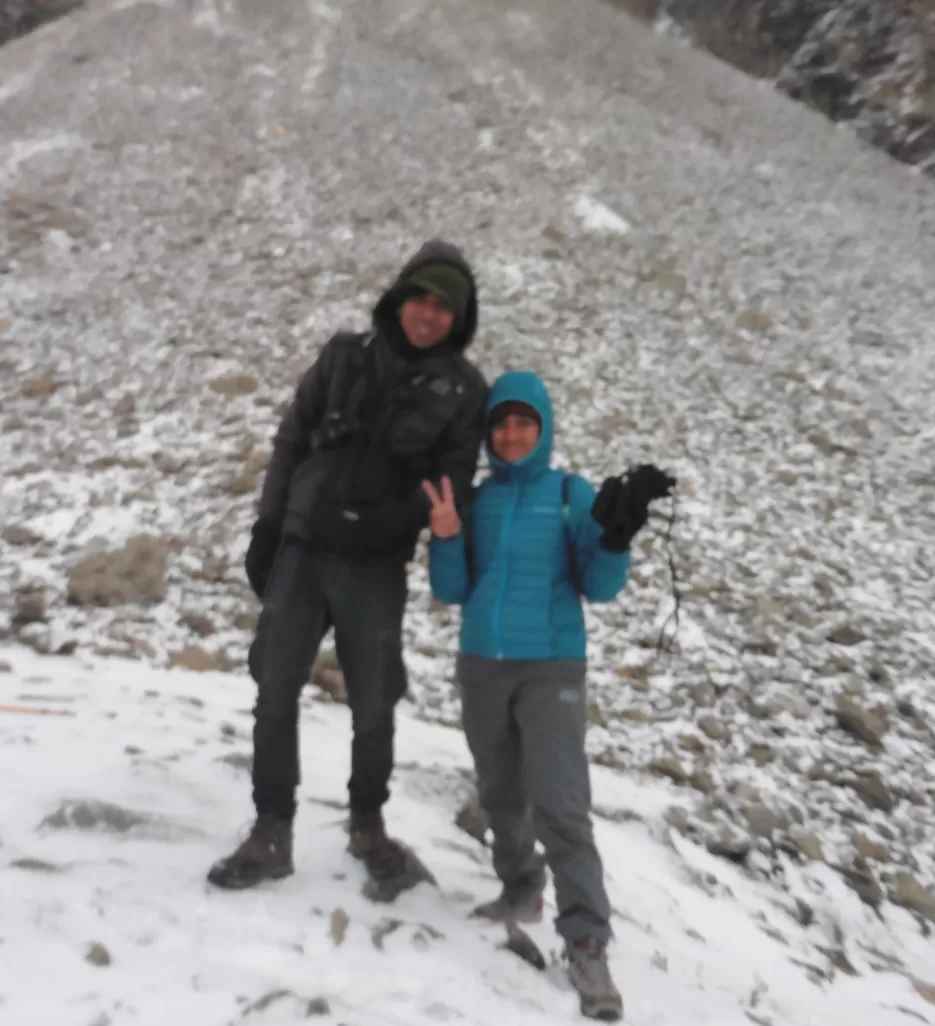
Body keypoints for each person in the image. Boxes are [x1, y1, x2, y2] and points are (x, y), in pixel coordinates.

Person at [207, 240, 488, 891]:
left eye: (445, 307)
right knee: (275, 690)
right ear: (400, 297)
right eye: (422, 297)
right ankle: (270, 830)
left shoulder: (463, 392)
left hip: (374, 568)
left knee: (375, 702)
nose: (429, 314)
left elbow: (452, 482)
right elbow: (292, 437)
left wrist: (392, 522)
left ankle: (368, 825)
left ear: (459, 320)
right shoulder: (343, 357)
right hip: (304, 551)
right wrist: (269, 526)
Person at [425, 369, 673, 1022]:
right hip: (482, 661)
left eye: (523, 422)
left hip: (551, 666)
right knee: (501, 791)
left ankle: (587, 939)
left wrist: (615, 540)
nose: (510, 433)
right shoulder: (475, 500)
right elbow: (451, 592)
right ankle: (520, 888)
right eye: (501, 424)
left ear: (542, 428)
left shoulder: (570, 493)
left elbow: (600, 585)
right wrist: (447, 534)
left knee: (561, 804)